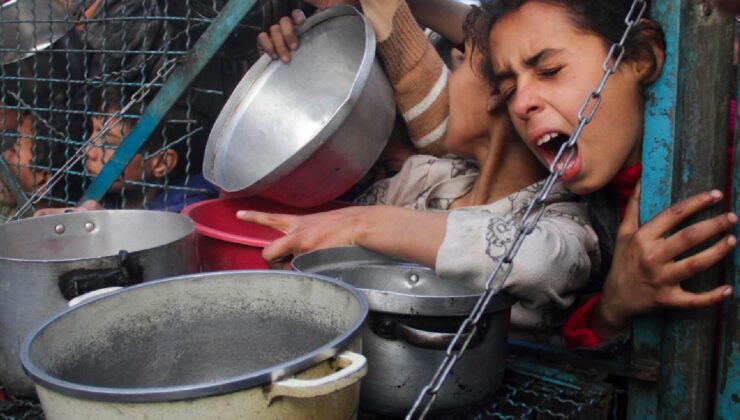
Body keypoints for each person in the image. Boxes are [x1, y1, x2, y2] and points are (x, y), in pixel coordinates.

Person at [243, 0, 601, 340]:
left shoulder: (561, 218)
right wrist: (295, 79)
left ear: (498, 92)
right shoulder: (427, 178)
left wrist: (366, 225)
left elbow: (540, 263)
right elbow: (306, 225)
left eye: (459, 66)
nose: (444, 79)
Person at [474, 0, 737, 346]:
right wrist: (615, 305)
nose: (522, 104)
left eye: (550, 70)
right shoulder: (586, 211)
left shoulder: (726, 163)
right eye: (509, 90)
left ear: (638, 57)